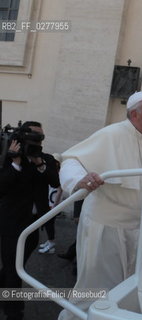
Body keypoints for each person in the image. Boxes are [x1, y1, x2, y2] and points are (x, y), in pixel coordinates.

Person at [58, 91, 142, 319]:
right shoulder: (111, 134)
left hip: (134, 230)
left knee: (122, 290)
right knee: (95, 291)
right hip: (105, 228)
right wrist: (78, 180)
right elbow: (72, 160)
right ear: (135, 115)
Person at [0, 121, 60, 320]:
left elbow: (55, 181)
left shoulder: (46, 159)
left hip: (33, 225)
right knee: (13, 269)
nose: (38, 140)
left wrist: (39, 164)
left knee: (15, 267)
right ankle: (14, 311)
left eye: (41, 137)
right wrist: (15, 162)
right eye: (34, 136)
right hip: (11, 223)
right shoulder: (8, 159)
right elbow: (3, 187)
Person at [39, 158, 63, 254]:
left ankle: (51, 245)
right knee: (48, 224)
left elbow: (60, 190)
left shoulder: (60, 174)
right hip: (50, 202)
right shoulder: (52, 172)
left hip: (53, 204)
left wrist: (54, 206)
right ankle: (49, 242)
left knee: (49, 224)